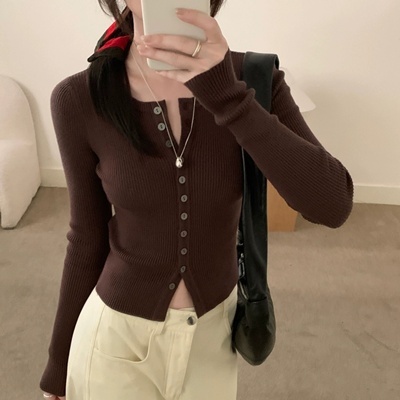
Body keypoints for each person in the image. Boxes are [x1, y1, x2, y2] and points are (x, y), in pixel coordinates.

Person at [39, 0, 354, 399]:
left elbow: (333, 204)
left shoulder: (254, 79)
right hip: (115, 339)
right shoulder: (79, 98)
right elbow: (86, 237)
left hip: (213, 342)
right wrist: (58, 365)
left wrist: (227, 97)